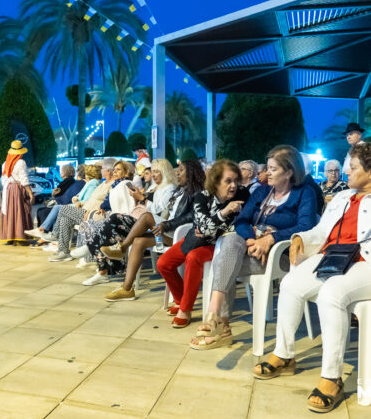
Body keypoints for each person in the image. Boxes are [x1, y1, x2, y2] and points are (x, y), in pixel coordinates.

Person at [252, 143, 371, 413]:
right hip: (333, 257)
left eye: (353, 168)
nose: (346, 172)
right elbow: (320, 231)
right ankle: (284, 355)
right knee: (291, 284)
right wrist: (299, 238)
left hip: (365, 262)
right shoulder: (343, 197)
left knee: (332, 293)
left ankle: (332, 377)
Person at [189, 145, 318, 349]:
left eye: (273, 169)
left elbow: (306, 227)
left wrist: (271, 239)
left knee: (222, 262)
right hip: (252, 250)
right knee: (232, 240)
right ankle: (215, 317)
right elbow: (242, 220)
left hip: (280, 256)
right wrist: (251, 240)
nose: (267, 173)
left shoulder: (304, 193)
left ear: (289, 172)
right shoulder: (262, 192)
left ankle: (221, 326)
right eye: (267, 168)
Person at [156, 160, 250, 327]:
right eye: (228, 181)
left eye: (236, 180)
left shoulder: (242, 194)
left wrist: (210, 226)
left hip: (221, 244)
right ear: (216, 181)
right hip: (196, 240)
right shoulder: (202, 197)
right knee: (163, 263)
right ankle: (180, 300)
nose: (234, 185)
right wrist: (224, 212)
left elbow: (238, 223)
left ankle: (185, 309)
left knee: (193, 258)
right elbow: (203, 228)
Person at [102, 160, 206, 301]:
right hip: (169, 230)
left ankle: (122, 248)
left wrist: (166, 224)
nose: (177, 173)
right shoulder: (180, 190)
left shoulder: (197, 193)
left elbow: (190, 217)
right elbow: (167, 211)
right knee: (138, 241)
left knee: (146, 217)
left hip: (178, 234)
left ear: (191, 173)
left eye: (181, 170)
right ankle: (127, 289)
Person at [72, 159, 177, 285]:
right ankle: (102, 269)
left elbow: (160, 211)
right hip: (140, 219)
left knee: (113, 220)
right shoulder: (155, 187)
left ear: (164, 172)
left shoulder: (169, 188)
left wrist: (142, 198)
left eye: (156, 172)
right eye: (152, 171)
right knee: (109, 229)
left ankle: (93, 250)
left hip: (154, 224)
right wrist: (139, 199)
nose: (153, 175)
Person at [49, 160, 134, 262]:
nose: (101, 170)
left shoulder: (114, 185)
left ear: (108, 170)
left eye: (102, 168)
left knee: (63, 209)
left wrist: (89, 211)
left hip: (94, 213)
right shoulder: (105, 183)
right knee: (65, 219)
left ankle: (55, 235)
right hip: (86, 210)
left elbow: (106, 203)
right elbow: (92, 199)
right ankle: (63, 252)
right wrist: (82, 203)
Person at [0, 140, 34, 245]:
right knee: (19, 211)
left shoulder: (5, 163)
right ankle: (19, 237)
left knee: (9, 212)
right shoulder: (21, 162)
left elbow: (3, 179)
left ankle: (10, 237)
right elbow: (24, 180)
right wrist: (30, 193)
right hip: (17, 189)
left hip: (8, 189)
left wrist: (8, 187)